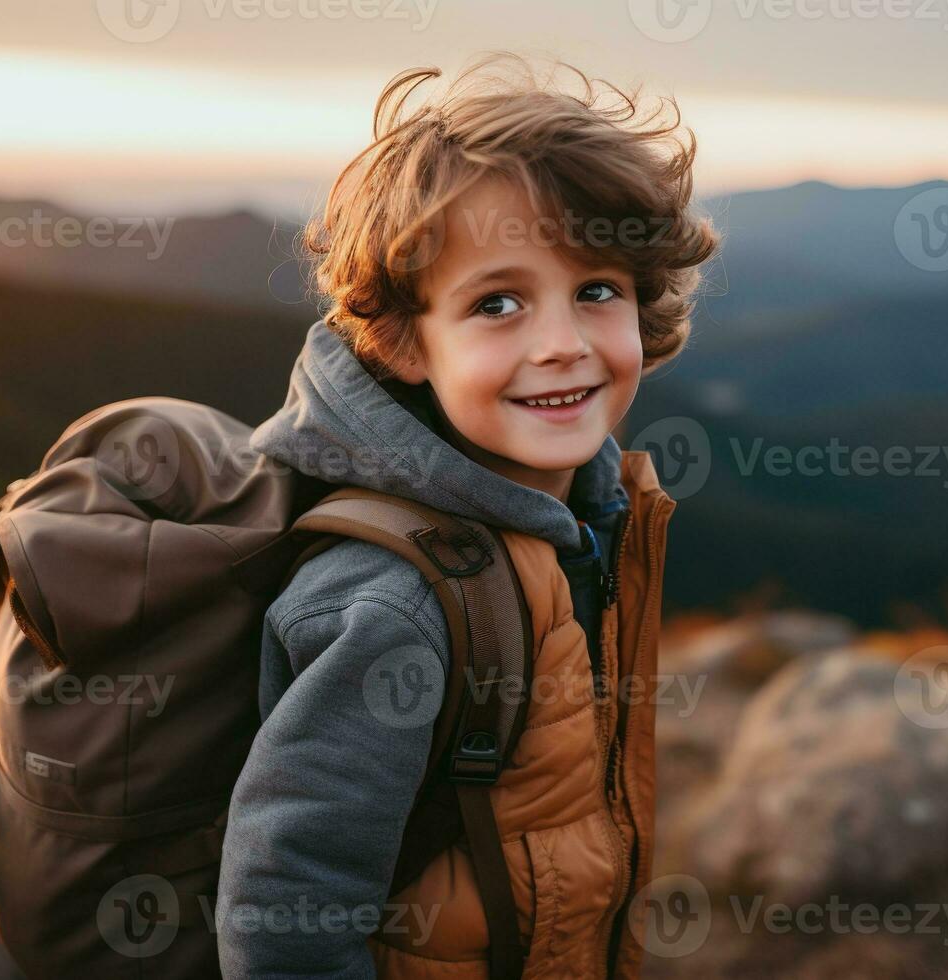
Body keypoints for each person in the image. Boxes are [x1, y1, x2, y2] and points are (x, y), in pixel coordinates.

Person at [217, 50, 717, 979]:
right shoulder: (390, 605)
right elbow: (286, 907)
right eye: (498, 303)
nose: (562, 343)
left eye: (596, 290)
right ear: (404, 339)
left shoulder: (578, 515)